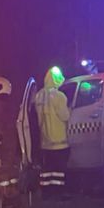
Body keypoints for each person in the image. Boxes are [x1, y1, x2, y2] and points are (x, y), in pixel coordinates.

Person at [32, 65, 70, 198]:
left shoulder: (39, 96)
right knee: (59, 169)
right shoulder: (59, 96)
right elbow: (65, 116)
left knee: (47, 168)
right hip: (59, 140)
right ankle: (58, 192)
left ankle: (46, 192)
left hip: (44, 141)